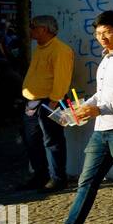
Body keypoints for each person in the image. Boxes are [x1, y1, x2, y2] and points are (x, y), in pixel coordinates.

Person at [32, 11, 113, 224]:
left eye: (107, 32)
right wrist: (84, 107)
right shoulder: (105, 59)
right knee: (87, 181)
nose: (102, 38)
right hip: (101, 130)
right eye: (98, 34)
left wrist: (99, 109)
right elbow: (102, 93)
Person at [20, 15, 76, 191]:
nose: (31, 29)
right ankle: (40, 175)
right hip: (33, 101)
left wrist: (54, 100)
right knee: (32, 140)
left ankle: (58, 178)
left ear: (44, 29)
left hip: (49, 101)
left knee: (52, 141)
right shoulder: (39, 48)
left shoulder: (60, 50)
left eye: (33, 26)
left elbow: (62, 77)